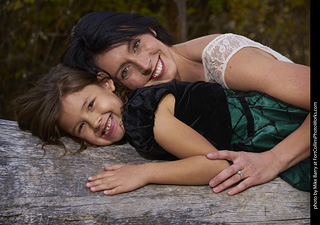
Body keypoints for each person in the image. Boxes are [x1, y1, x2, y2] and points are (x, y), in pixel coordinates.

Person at [60, 11, 310, 195]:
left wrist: (274, 159)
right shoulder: (157, 101)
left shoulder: (224, 60)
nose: (145, 65)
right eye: (125, 71)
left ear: (150, 29)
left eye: (136, 45)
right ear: (118, 84)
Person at [15, 64, 309, 196]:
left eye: (91, 105)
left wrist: (144, 173)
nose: (95, 123)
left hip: (271, 123)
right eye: (81, 126)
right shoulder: (136, 113)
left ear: (106, 82)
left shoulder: (140, 112)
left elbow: (215, 165)